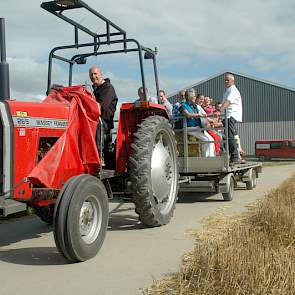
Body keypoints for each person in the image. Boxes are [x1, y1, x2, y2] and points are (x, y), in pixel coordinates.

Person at [89, 66, 118, 166]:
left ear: (101, 74)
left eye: (95, 74)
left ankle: (99, 155)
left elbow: (101, 107)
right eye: (91, 75)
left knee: (97, 124)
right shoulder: (94, 90)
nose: (93, 76)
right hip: (93, 119)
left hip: (105, 122)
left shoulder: (108, 88)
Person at [182, 88, 215, 157]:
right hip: (190, 127)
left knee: (211, 140)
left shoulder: (195, 106)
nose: (195, 98)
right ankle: (205, 158)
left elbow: (202, 114)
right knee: (206, 140)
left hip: (197, 127)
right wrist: (198, 115)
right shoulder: (184, 105)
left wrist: (209, 120)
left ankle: (211, 157)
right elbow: (187, 115)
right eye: (194, 96)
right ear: (189, 97)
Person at [220, 72, 244, 164]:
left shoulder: (233, 90)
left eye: (228, 80)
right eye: (225, 80)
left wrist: (219, 111)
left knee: (230, 137)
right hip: (227, 116)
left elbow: (228, 102)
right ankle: (232, 156)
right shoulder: (227, 90)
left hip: (231, 115)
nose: (226, 81)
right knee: (228, 136)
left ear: (233, 81)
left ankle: (235, 157)